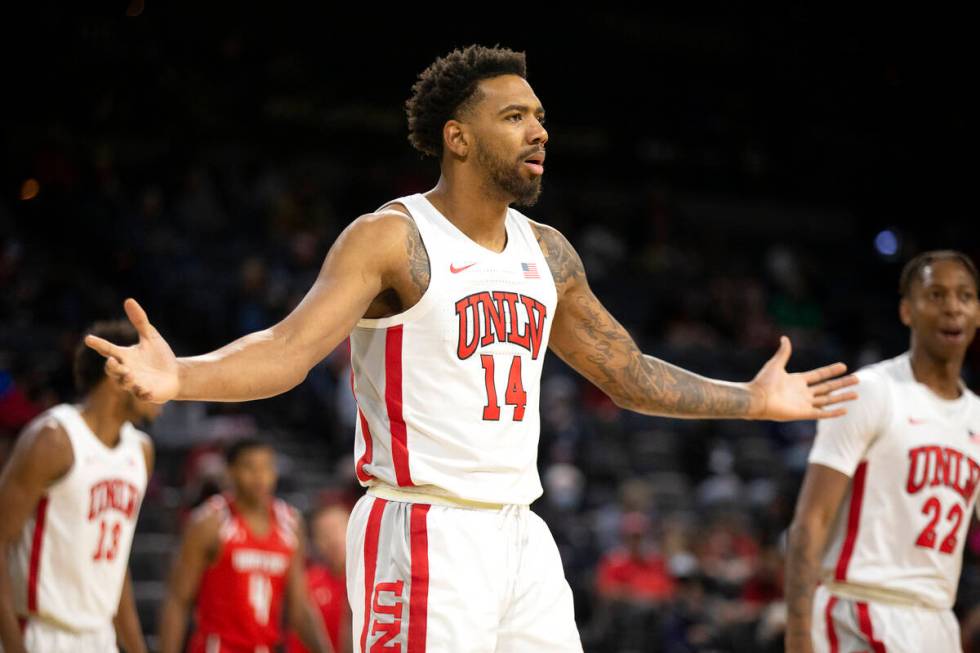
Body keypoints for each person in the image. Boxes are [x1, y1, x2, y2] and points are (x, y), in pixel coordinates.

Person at [85, 44, 857, 652]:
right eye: (516, 115)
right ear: (457, 137)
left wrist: (751, 399)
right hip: (424, 530)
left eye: (541, 116)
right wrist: (180, 374)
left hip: (521, 531)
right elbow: (288, 349)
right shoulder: (393, 237)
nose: (540, 130)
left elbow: (627, 372)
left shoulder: (548, 252)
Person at [785, 250, 980, 653]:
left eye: (965, 296)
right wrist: (798, 634)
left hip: (937, 620)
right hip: (858, 608)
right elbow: (811, 519)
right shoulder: (870, 391)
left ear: (978, 313)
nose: (952, 309)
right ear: (907, 311)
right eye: (937, 295)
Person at [0, 321, 159, 653]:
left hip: (100, 636)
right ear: (117, 373)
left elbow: (116, 566)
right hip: (41, 632)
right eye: (154, 370)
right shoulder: (54, 438)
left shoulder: (141, 451)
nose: (166, 387)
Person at [158, 438, 331, 653]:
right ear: (230, 472)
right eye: (250, 467)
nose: (260, 476)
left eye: (267, 466)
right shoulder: (209, 522)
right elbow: (178, 601)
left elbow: (300, 607)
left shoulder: (291, 523)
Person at [287, 503, 353, 653]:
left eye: (339, 529)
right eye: (325, 533)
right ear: (316, 543)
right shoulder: (307, 584)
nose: (334, 539)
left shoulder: (374, 579)